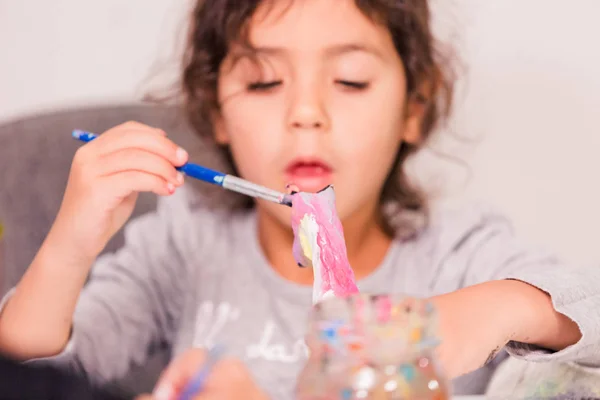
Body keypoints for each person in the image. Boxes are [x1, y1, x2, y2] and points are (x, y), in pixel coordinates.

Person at [1, 0, 599, 399]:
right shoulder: (184, 246)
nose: (305, 113)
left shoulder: (455, 253)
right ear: (217, 112)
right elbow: (31, 369)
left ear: (413, 107)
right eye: (264, 81)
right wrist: (71, 243)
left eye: (350, 81)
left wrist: (493, 308)